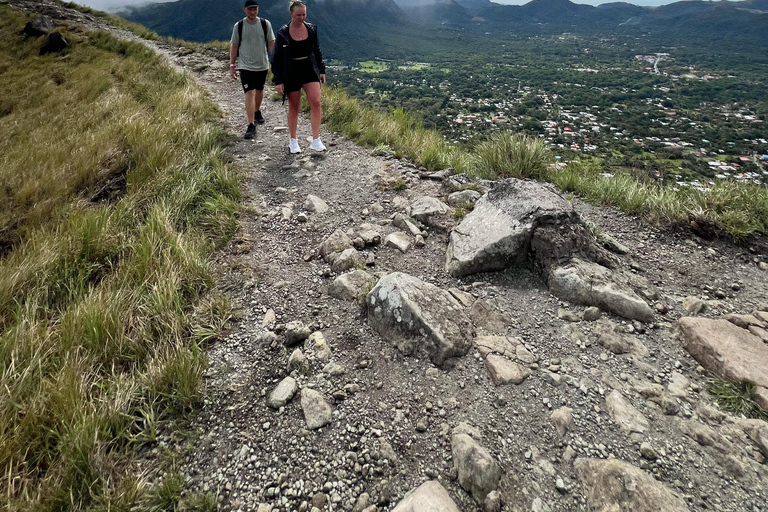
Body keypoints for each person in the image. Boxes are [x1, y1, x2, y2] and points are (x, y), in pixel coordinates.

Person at [271, 0, 327, 153]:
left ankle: (316, 140)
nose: (302, 17)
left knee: (316, 102)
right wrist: (278, 80)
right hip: (292, 70)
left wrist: (321, 70)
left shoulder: (312, 29)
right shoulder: (283, 33)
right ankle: (293, 141)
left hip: (309, 68)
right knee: (294, 107)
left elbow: (317, 50)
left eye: (304, 14)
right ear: (291, 14)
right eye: (298, 15)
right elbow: (276, 58)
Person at [230, 0, 275, 139]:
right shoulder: (239, 26)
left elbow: (271, 42)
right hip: (245, 66)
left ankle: (256, 111)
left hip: (262, 64)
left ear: (258, 9)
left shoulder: (265, 24)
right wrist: (232, 64)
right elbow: (234, 45)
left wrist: (275, 62)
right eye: (250, 9)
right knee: (249, 93)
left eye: (254, 9)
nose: (252, 12)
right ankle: (251, 125)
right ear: (244, 10)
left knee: (260, 91)